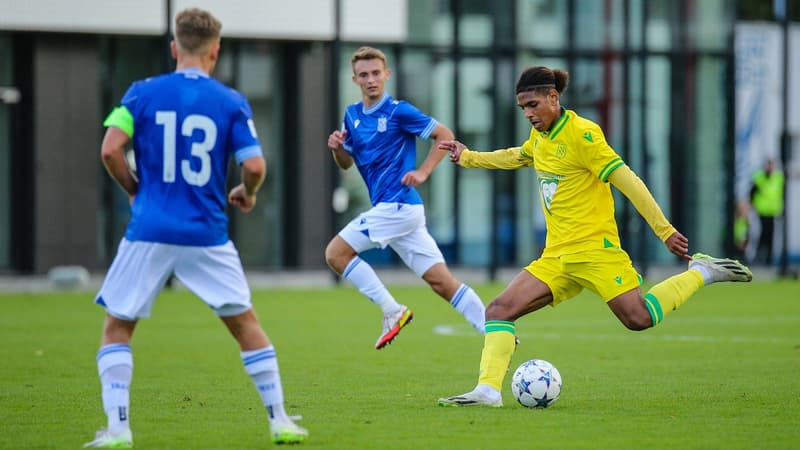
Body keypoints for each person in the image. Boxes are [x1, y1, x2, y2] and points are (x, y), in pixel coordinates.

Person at [437, 66, 753, 407]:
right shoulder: (540, 138)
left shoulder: (584, 134)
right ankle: (488, 390)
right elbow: (518, 155)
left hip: (596, 252)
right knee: (498, 310)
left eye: (533, 105)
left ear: (553, 98)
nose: (528, 113)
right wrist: (467, 157)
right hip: (557, 257)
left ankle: (702, 272)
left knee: (638, 319)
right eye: (523, 108)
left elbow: (627, 180)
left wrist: (665, 230)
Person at [84, 8, 308, 447]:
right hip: (206, 232)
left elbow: (111, 149)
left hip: (149, 229)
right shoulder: (229, 101)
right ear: (215, 51)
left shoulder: (141, 93)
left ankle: (118, 428)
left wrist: (134, 190)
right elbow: (255, 164)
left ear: (174, 47)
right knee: (246, 324)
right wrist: (247, 190)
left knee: (118, 326)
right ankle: (280, 419)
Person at [326, 46, 486, 349]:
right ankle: (493, 331)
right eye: (364, 75)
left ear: (387, 75)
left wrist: (424, 172)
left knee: (335, 254)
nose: (371, 79)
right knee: (442, 282)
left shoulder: (399, 111)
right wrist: (337, 149)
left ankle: (392, 310)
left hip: (397, 205)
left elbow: (445, 134)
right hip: (400, 212)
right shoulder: (351, 115)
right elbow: (346, 163)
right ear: (355, 79)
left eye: (376, 73)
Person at [750, 159, 784, 265]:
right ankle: (760, 256)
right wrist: (753, 205)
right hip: (762, 211)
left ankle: (768, 258)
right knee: (764, 233)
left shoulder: (778, 178)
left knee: (770, 234)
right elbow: (752, 193)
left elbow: (781, 194)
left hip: (773, 211)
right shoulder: (759, 178)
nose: (769, 168)